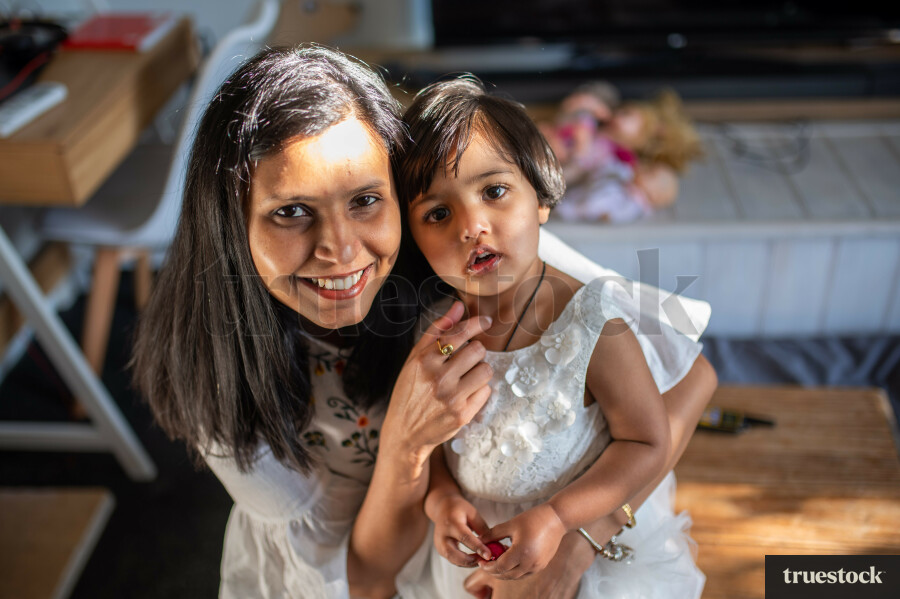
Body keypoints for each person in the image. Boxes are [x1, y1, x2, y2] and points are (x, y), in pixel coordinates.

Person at [130, 45, 716, 599]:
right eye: (290, 212)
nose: (340, 250)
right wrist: (407, 449)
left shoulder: (476, 248)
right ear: (230, 224)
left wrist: (580, 537)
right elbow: (366, 583)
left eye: (365, 200)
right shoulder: (213, 373)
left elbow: (691, 380)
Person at [394, 77, 707, 598]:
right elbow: (435, 448)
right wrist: (441, 502)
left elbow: (648, 441)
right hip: (478, 564)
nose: (471, 225)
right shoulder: (437, 331)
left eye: (494, 192)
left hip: (579, 554)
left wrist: (559, 518)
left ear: (540, 198)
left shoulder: (594, 323)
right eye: (438, 213)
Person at [540, 83, 703, 223]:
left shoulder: (622, 160)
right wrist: (588, 106)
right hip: (558, 140)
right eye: (624, 111)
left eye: (626, 115)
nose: (617, 117)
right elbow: (576, 107)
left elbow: (598, 180)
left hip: (567, 164)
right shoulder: (597, 119)